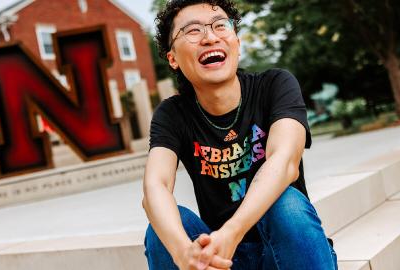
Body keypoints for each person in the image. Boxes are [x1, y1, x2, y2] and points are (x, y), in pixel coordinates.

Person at [142, 0, 338, 269]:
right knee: (162, 229)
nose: (210, 37)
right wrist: (182, 252)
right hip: (225, 260)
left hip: (283, 250)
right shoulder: (172, 114)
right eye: (193, 31)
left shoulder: (275, 85)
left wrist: (232, 231)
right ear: (173, 58)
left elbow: (284, 163)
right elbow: (156, 187)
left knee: (287, 203)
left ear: (236, 40)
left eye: (220, 26)